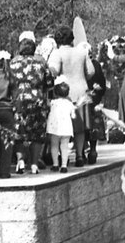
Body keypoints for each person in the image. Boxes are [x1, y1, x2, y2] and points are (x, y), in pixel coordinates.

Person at [47, 25, 95, 167]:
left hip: (63, 94)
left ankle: (62, 158)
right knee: (80, 127)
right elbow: (91, 71)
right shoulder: (82, 52)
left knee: (62, 127)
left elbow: (53, 71)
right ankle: (80, 156)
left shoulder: (57, 53)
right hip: (81, 91)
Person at [9, 38, 54, 174]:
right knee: (37, 133)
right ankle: (34, 164)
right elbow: (50, 83)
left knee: (19, 132)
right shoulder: (41, 62)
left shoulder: (12, 63)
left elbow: (9, 82)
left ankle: (20, 161)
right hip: (37, 101)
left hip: (18, 101)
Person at [83, 43, 107, 164]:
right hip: (93, 98)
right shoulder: (95, 64)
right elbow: (102, 83)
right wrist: (99, 93)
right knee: (94, 123)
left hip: (80, 97)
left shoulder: (79, 64)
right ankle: (92, 149)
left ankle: (81, 152)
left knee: (81, 124)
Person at [46, 80, 75, 173]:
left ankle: (55, 164)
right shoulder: (69, 103)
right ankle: (64, 165)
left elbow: (47, 104)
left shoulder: (53, 103)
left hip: (55, 127)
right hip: (66, 127)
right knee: (64, 146)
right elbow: (73, 116)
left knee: (54, 145)